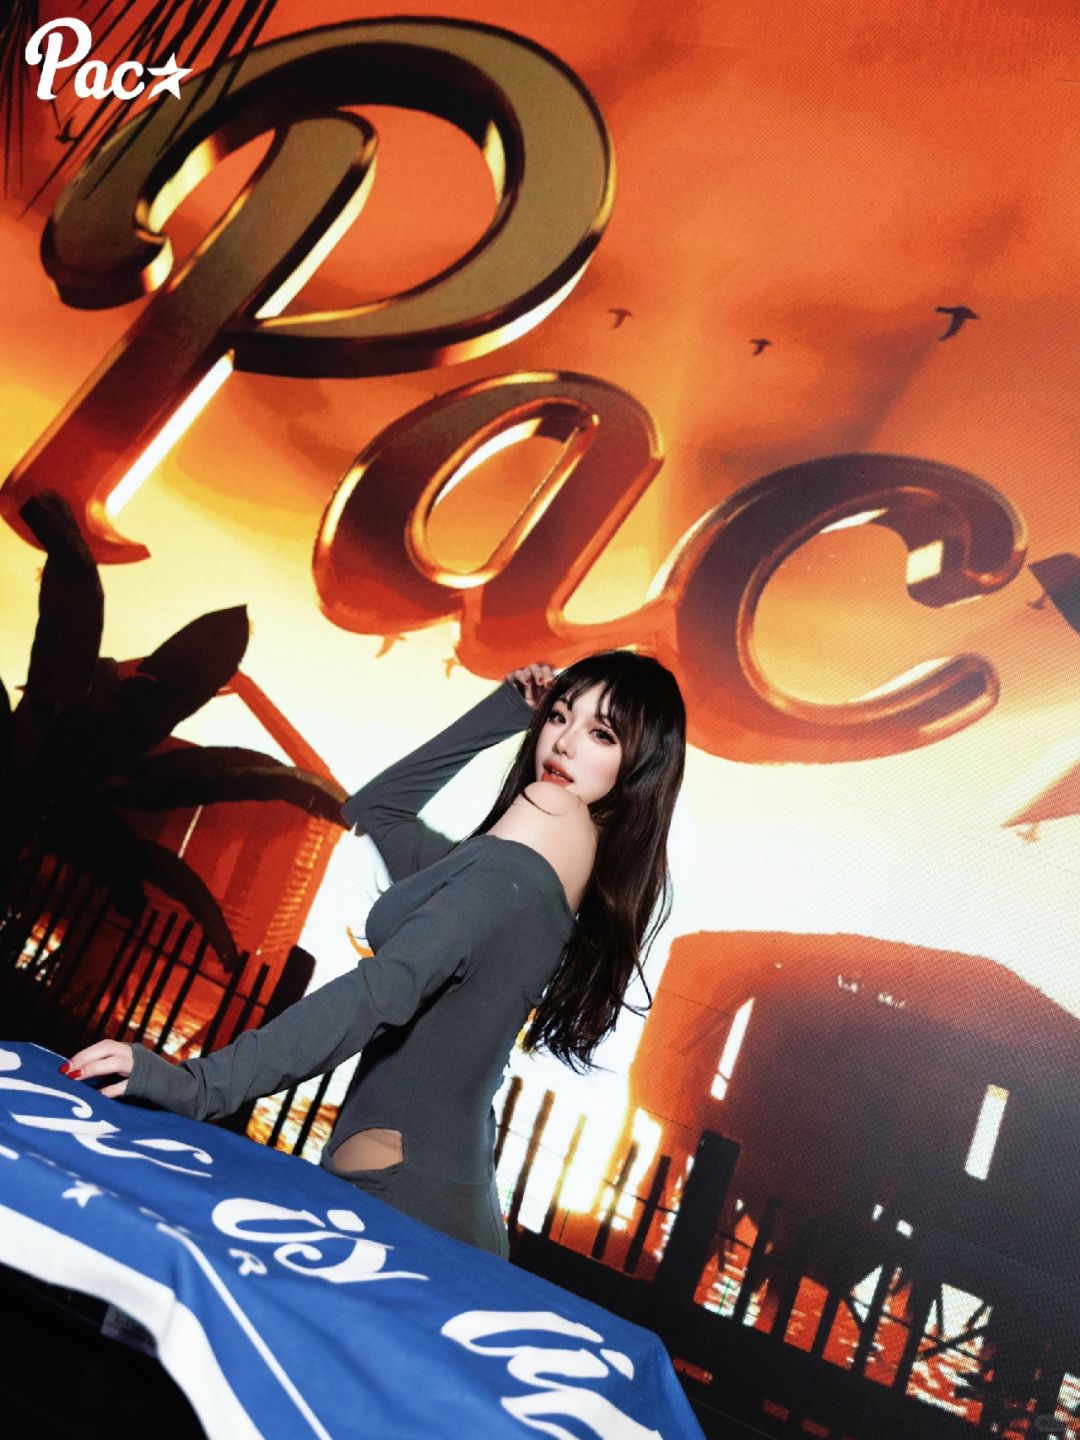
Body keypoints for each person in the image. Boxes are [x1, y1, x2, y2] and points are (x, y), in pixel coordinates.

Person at [64, 651, 686, 1258]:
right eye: (558, 715)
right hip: (418, 1197)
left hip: (410, 1210)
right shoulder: (527, 870)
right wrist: (503, 710)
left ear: (640, 768)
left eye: (601, 733)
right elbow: (378, 809)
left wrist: (198, 1086)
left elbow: (381, 991)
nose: (564, 743)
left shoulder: (545, 818)